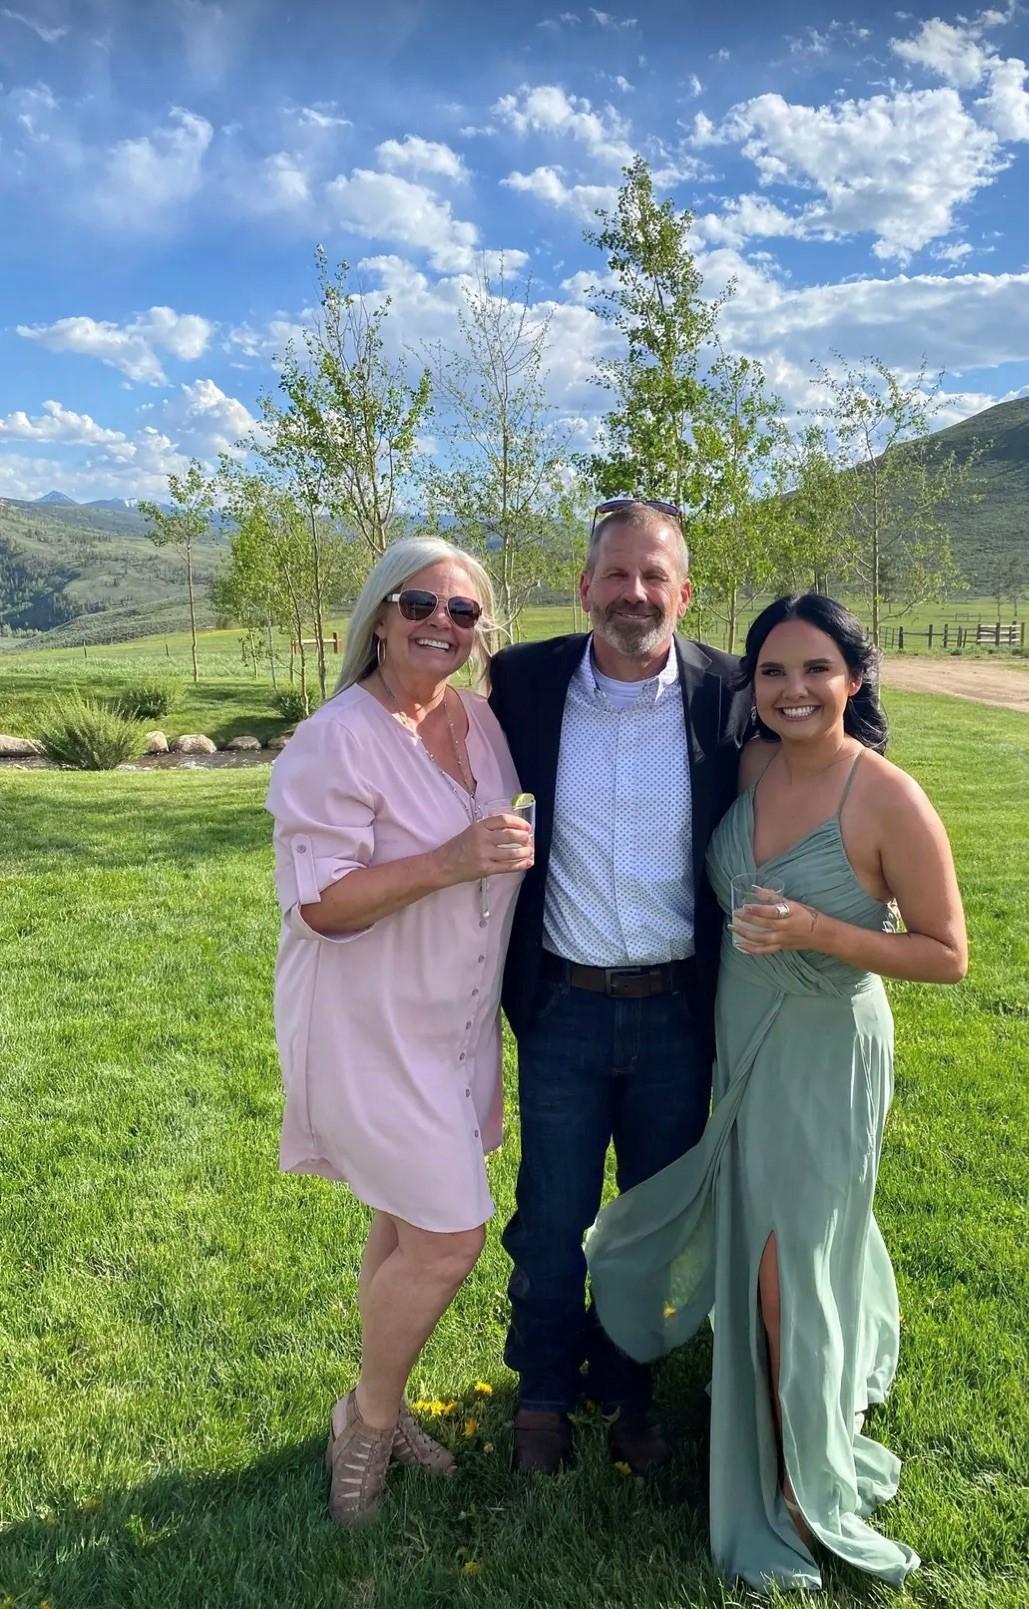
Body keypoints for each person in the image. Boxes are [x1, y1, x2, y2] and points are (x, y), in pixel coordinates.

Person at [587, 592, 968, 1591]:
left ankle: (802, 1479)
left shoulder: (887, 797)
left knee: (784, 1270)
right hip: (737, 1042)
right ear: (751, 687)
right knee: (767, 1243)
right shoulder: (749, 768)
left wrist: (822, 932)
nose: (793, 689)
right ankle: (781, 1414)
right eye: (771, 671)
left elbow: (947, 954)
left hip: (822, 1054)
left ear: (853, 679)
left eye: (815, 670)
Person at [265, 535, 534, 1526]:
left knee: (404, 1215)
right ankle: (368, 1425)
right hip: (366, 1023)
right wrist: (452, 858)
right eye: (419, 604)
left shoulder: (481, 722)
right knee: (450, 1234)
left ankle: (370, 1403)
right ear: (379, 615)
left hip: (453, 1019)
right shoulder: (337, 737)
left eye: (462, 612)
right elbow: (324, 904)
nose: (439, 624)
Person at [488, 498, 753, 1476]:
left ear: (684, 593)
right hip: (562, 1005)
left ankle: (632, 1393)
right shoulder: (521, 681)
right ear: (584, 586)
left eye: (655, 578)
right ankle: (545, 1398)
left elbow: (848, 704)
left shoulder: (729, 692)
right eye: (616, 574)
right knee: (551, 1219)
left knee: (651, 1223)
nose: (634, 594)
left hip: (681, 1013)